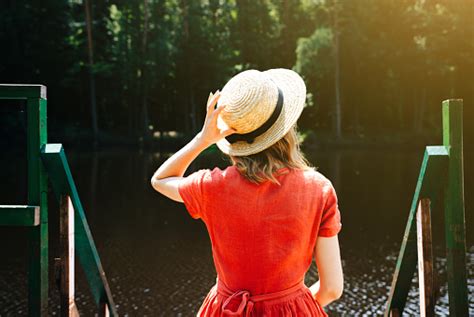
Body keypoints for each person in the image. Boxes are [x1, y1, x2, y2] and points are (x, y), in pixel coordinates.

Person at [151, 69, 343, 316]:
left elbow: (161, 179)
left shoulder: (213, 186)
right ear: (286, 129)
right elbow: (332, 289)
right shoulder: (319, 189)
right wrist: (291, 307)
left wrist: (202, 139)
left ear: (233, 138)